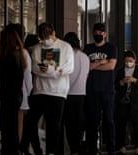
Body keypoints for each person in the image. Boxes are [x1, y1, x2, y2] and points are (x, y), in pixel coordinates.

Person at [29, 23, 74, 154]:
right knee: (31, 123)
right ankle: (37, 150)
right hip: (39, 91)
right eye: (43, 39)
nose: (46, 41)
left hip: (58, 92)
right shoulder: (37, 48)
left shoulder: (65, 47)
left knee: (54, 126)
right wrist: (53, 71)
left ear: (54, 33)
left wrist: (50, 70)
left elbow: (69, 68)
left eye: (48, 37)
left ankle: (51, 152)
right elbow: (35, 69)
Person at [84, 22, 117, 155]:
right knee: (93, 121)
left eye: (101, 32)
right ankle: (92, 149)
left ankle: (111, 149)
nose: (98, 34)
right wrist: (101, 62)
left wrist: (94, 65)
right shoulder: (88, 48)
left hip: (108, 89)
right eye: (96, 32)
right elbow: (87, 67)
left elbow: (111, 66)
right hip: (92, 89)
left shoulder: (111, 47)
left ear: (105, 34)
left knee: (109, 120)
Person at [0, 25, 27, 154]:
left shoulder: (11, 56)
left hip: (9, 96)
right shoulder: (19, 55)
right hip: (15, 96)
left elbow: (5, 75)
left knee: (8, 127)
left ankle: (9, 151)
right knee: (11, 127)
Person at [114, 50, 138, 155]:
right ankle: (121, 146)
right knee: (121, 124)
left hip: (137, 101)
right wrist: (121, 82)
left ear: (134, 60)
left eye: (130, 61)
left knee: (137, 124)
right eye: (126, 61)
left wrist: (135, 81)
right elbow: (114, 85)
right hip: (122, 100)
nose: (128, 63)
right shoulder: (120, 71)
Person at [62, 32, 90, 155]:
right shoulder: (85, 57)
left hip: (68, 94)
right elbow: (87, 75)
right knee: (79, 123)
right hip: (82, 94)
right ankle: (78, 148)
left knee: (69, 124)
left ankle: (73, 149)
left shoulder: (67, 57)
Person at [20, 35, 42, 155]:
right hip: (30, 95)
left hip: (31, 94)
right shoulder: (27, 57)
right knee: (30, 124)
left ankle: (26, 146)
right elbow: (28, 78)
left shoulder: (29, 56)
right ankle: (29, 147)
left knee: (30, 124)